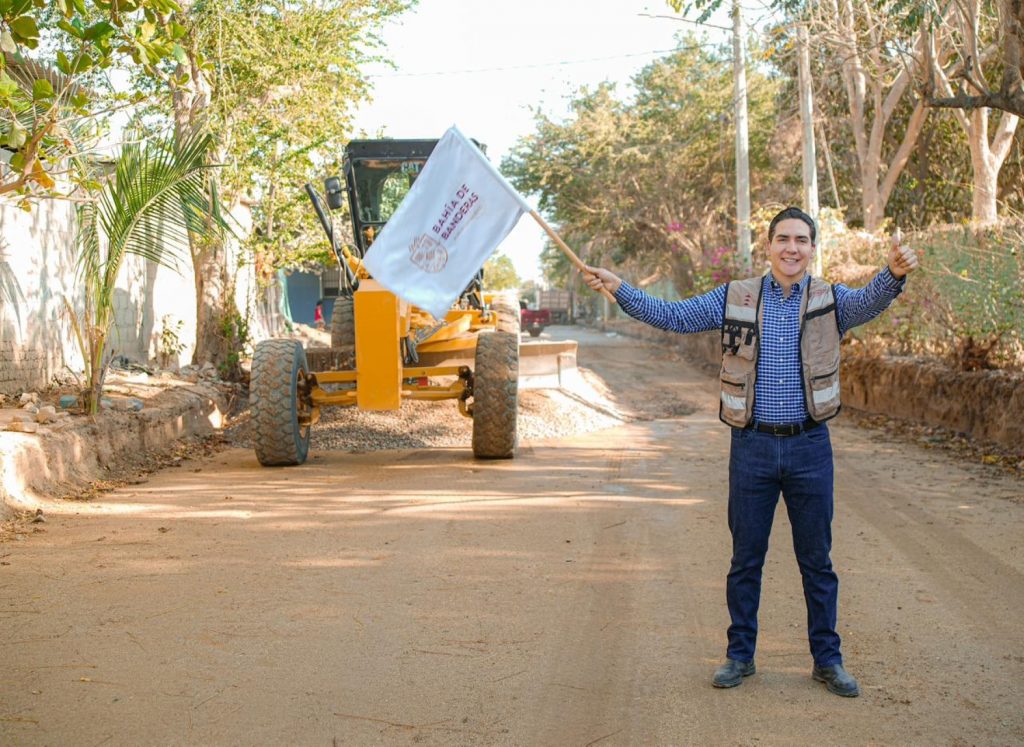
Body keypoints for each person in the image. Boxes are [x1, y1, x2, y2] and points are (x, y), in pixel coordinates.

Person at [583, 207, 919, 698]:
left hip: (810, 447)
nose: (791, 248)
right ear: (769, 246)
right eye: (783, 238)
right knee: (745, 560)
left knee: (817, 562)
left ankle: (827, 660)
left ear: (812, 248)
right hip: (752, 447)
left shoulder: (830, 299)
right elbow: (674, 316)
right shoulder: (735, 296)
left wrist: (892, 273)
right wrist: (621, 289)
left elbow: (870, 301)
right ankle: (740, 655)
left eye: (801, 240)